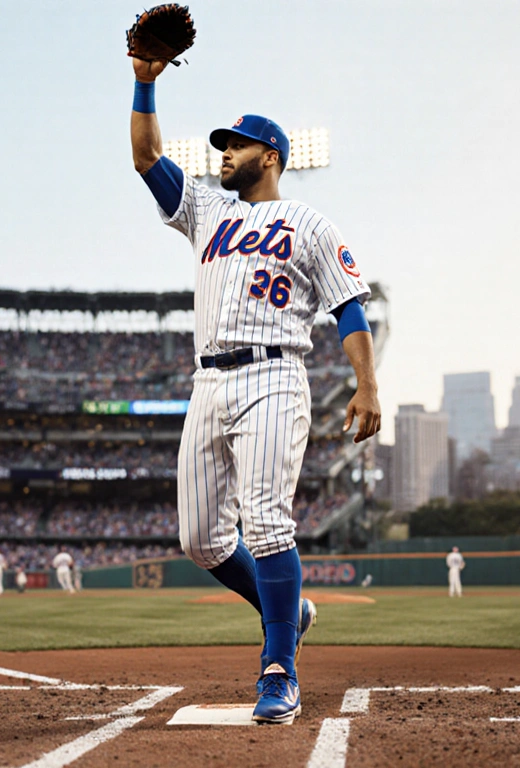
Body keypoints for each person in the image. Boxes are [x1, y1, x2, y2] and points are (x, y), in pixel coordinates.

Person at [131, 51, 381, 726]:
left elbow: (349, 306)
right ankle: (291, 612)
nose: (223, 154)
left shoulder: (309, 224)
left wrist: (366, 385)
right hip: (207, 382)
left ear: (268, 156)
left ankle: (279, 668)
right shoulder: (208, 210)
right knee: (202, 540)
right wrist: (145, 81)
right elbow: (147, 159)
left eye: (235, 145)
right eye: (221, 145)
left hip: (275, 374)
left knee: (267, 520)